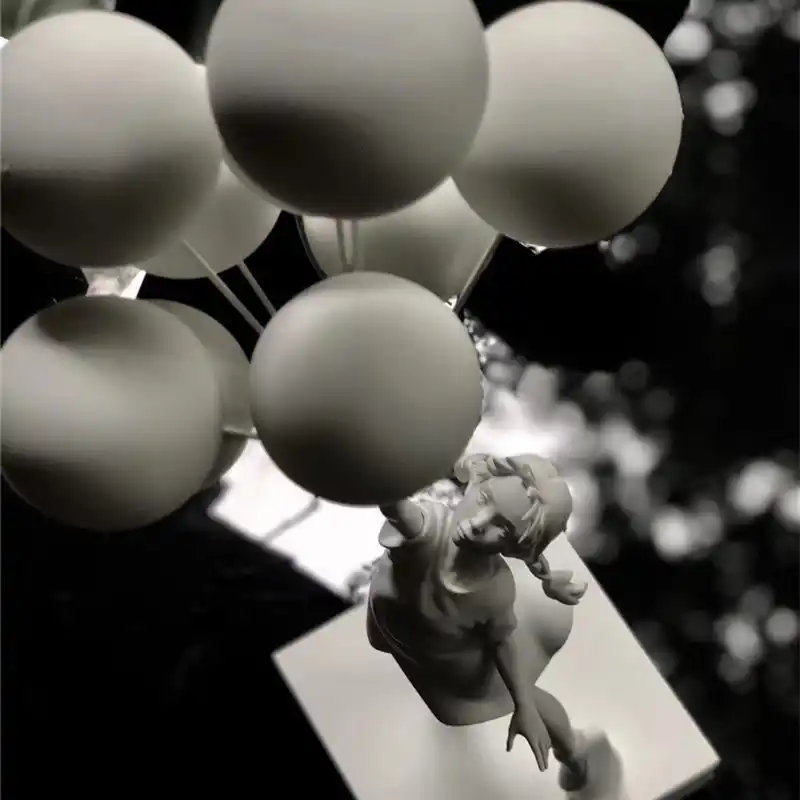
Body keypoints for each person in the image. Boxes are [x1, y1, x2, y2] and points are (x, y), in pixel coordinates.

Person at [367, 453, 591, 792]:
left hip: (454, 662)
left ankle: (571, 751)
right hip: (396, 627)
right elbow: (396, 508)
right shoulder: (432, 525)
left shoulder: (494, 589)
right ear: (474, 485)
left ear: (515, 547)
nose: (478, 522)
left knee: (520, 696)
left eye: (503, 527)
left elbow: (501, 642)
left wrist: (523, 705)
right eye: (484, 499)